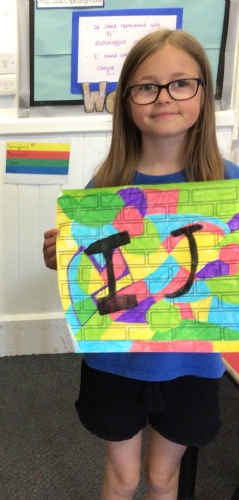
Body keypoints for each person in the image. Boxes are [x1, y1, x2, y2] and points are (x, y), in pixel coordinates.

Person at [43, 29, 239, 499]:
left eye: (181, 83)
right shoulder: (105, 185)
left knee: (164, 477)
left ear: (203, 92)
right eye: (147, 86)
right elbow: (87, 275)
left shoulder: (227, 183)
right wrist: (61, 256)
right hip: (116, 361)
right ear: (127, 100)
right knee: (122, 476)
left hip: (192, 363)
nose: (164, 97)